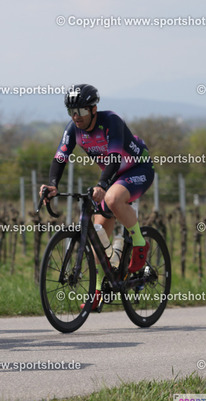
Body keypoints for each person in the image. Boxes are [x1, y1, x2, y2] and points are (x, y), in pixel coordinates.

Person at [39, 84, 154, 309]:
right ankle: (98, 291)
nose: (76, 116)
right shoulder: (73, 129)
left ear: (93, 109)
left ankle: (140, 244)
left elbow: (114, 158)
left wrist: (102, 185)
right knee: (98, 236)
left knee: (112, 199)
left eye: (81, 111)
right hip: (114, 176)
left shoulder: (111, 121)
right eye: (71, 112)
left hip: (138, 168)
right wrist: (52, 185)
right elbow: (60, 158)